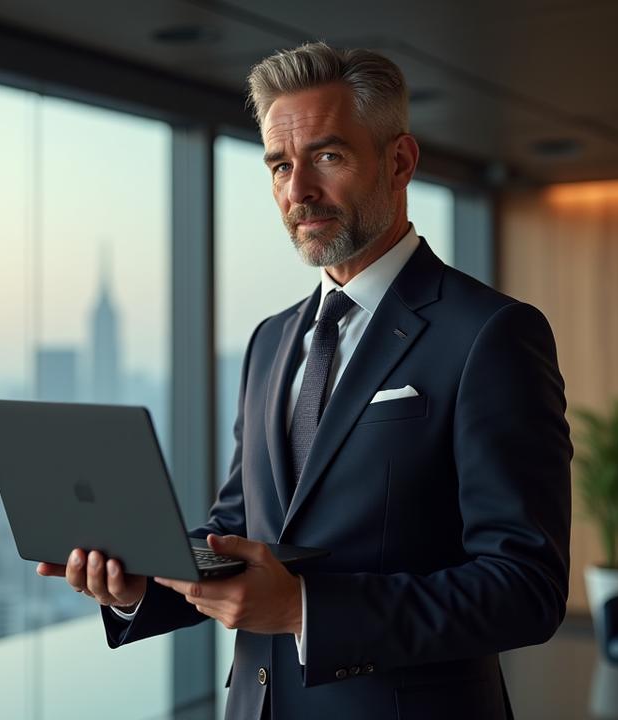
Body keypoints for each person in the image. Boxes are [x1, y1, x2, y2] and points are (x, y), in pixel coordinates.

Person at [36, 41, 571, 719]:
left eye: (328, 156)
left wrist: (303, 609)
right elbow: (238, 529)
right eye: (281, 166)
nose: (298, 192)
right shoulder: (271, 340)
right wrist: (142, 582)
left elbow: (525, 588)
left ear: (400, 162)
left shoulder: (490, 334)